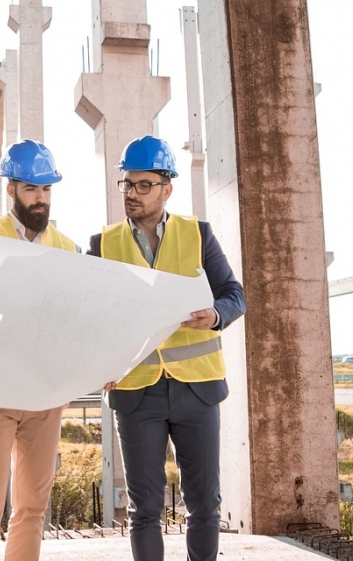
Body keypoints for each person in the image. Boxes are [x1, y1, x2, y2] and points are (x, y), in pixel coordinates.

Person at [87, 135, 246, 561]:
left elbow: (234, 294)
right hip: (137, 392)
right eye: (127, 185)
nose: (133, 194)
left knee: (203, 504)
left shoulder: (198, 234)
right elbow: (90, 316)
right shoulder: (102, 244)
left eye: (143, 185)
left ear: (166, 188)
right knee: (144, 510)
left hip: (198, 389)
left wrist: (214, 315)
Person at [0, 139, 79, 561]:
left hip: (44, 394)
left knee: (31, 509)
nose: (41, 198)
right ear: (11, 190)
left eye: (46, 190)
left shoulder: (67, 248)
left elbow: (75, 321)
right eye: (31, 189)